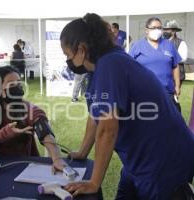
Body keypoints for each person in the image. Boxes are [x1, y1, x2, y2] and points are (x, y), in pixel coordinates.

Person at [59, 13, 194, 199]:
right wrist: (83, 151)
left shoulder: (109, 64)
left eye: (68, 55)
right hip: (139, 161)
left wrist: (94, 183)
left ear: (82, 50)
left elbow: (107, 128)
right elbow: (95, 115)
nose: (68, 61)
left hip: (162, 161)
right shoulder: (102, 66)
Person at [0, 66, 67, 172]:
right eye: (11, 84)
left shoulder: (27, 108)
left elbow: (44, 132)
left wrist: (57, 159)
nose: (17, 87)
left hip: (25, 168)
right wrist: (4, 133)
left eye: (18, 83)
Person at [129, 17, 182, 112]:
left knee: (170, 122)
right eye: (153, 28)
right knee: (147, 122)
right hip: (144, 93)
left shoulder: (168, 45)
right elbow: (128, 68)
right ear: (146, 30)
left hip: (167, 92)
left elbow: (175, 66)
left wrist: (177, 86)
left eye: (159, 27)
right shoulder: (137, 46)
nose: (157, 30)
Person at [163, 19, 188, 87]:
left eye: (167, 29)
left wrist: (168, 58)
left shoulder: (181, 43)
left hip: (177, 74)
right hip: (164, 74)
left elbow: (183, 58)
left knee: (173, 96)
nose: (164, 31)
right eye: (164, 29)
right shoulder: (161, 42)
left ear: (173, 31)